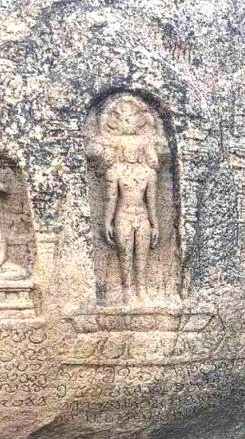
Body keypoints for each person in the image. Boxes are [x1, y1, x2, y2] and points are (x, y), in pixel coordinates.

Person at [99, 95, 160, 302]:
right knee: (125, 255)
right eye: (126, 148)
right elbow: (111, 200)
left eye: (135, 149)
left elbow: (151, 202)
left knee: (141, 255)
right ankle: (127, 290)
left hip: (141, 216)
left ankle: (141, 289)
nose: (131, 152)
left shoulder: (148, 173)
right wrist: (107, 222)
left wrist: (155, 224)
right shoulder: (115, 171)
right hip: (122, 215)